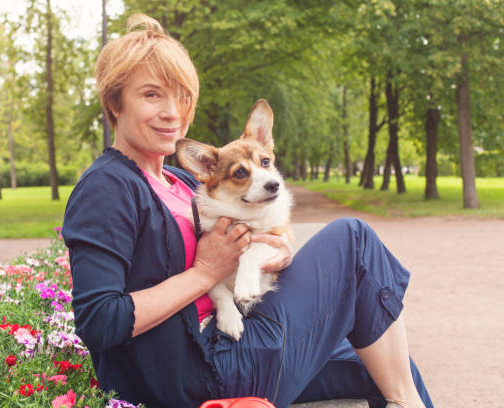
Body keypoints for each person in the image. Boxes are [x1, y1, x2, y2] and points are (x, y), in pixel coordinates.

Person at [62, 14, 434, 408]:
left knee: (381, 364)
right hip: (203, 373)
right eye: (152, 95)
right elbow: (100, 321)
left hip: (236, 340)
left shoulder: (183, 182)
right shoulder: (108, 187)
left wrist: (279, 250)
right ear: (114, 103)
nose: (172, 112)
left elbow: (264, 242)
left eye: (182, 96)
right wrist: (205, 273)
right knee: (354, 240)